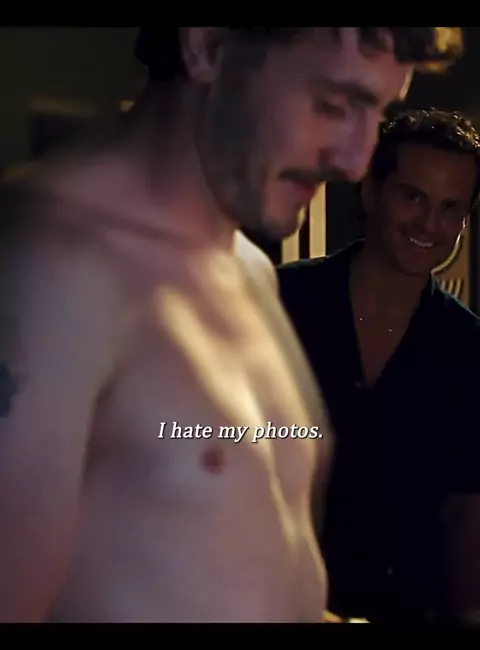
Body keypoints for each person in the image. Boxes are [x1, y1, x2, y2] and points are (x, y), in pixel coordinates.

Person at [0, 28, 463, 623]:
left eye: (378, 113)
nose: (354, 163)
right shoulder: (46, 270)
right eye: (332, 104)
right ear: (207, 46)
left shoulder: (248, 270)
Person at [277, 107, 480, 623]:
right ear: (371, 192)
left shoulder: (467, 348)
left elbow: (466, 510)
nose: (430, 224)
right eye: (413, 197)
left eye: (451, 208)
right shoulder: (283, 301)